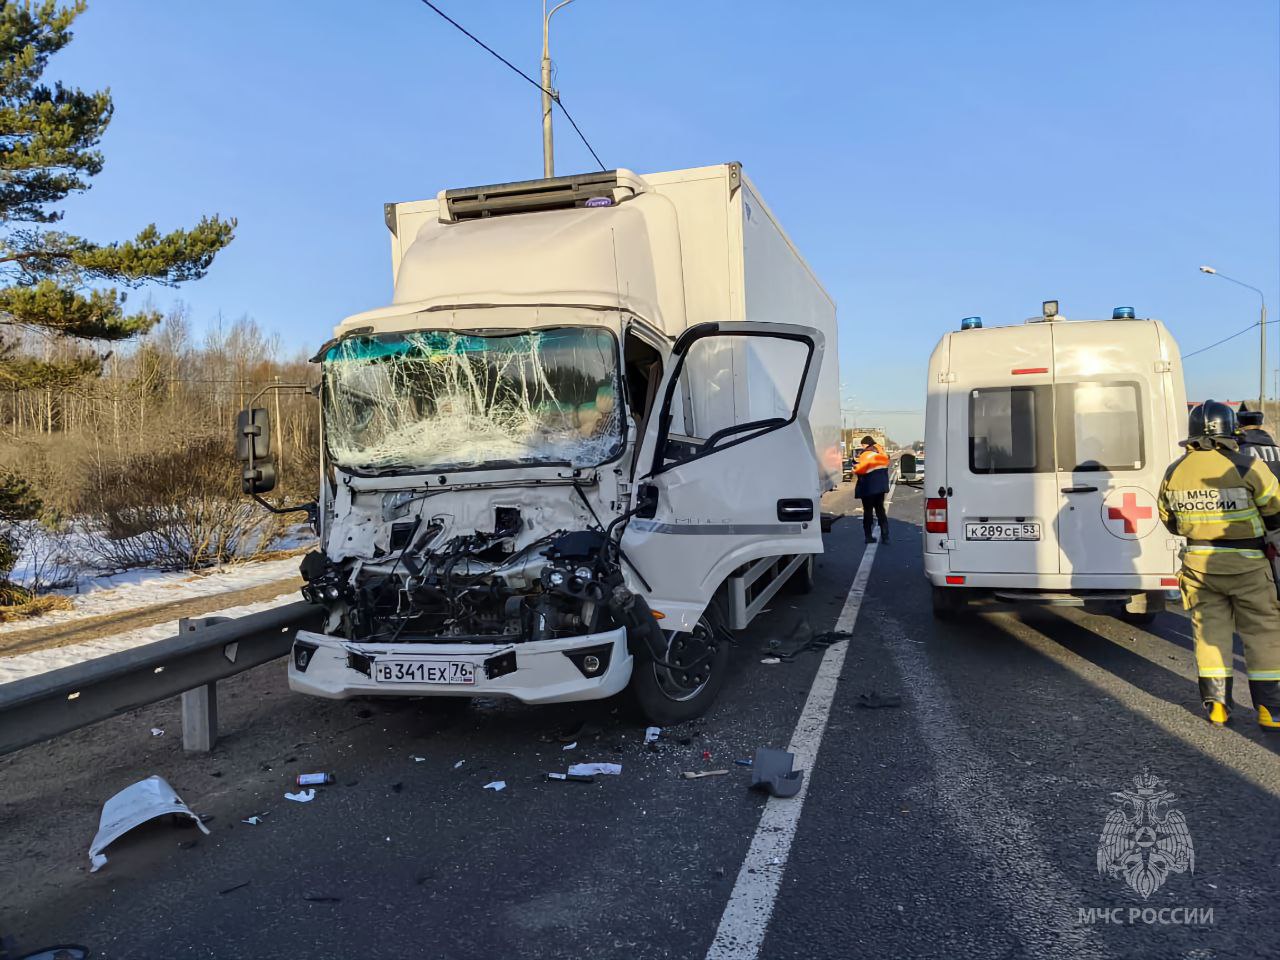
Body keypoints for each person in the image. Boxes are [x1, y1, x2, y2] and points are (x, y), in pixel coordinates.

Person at [1157, 400, 1280, 728]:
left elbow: (1168, 519)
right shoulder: (1246, 465)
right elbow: (1275, 509)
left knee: (1209, 632)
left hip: (1199, 566)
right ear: (1230, 430)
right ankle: (1270, 711)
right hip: (1249, 564)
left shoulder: (1175, 470)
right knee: (1263, 632)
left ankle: (1217, 707)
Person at [853, 435, 891, 545]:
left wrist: (854, 468)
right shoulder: (881, 454)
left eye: (862, 445)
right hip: (880, 489)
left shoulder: (865, 454)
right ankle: (885, 536)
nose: (862, 447)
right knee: (880, 511)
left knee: (868, 512)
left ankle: (868, 536)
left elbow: (861, 470)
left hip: (868, 488)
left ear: (866, 444)